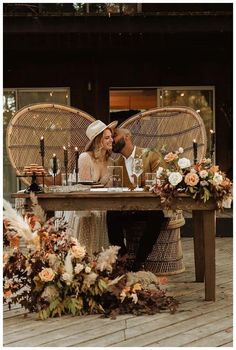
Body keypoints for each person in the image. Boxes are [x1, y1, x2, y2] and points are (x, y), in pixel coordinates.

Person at [107, 127, 167, 271]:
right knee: (111, 213)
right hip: (128, 209)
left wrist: (144, 181)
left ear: (127, 137)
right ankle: (123, 257)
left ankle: (139, 260)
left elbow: (163, 180)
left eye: (115, 135)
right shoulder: (116, 164)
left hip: (150, 207)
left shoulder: (151, 155)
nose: (112, 139)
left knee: (157, 215)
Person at [67, 119, 118, 255]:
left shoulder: (112, 162)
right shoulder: (85, 158)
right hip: (85, 207)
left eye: (111, 137)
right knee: (84, 252)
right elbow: (84, 190)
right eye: (107, 137)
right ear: (97, 141)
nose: (111, 140)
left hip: (102, 208)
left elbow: (109, 189)